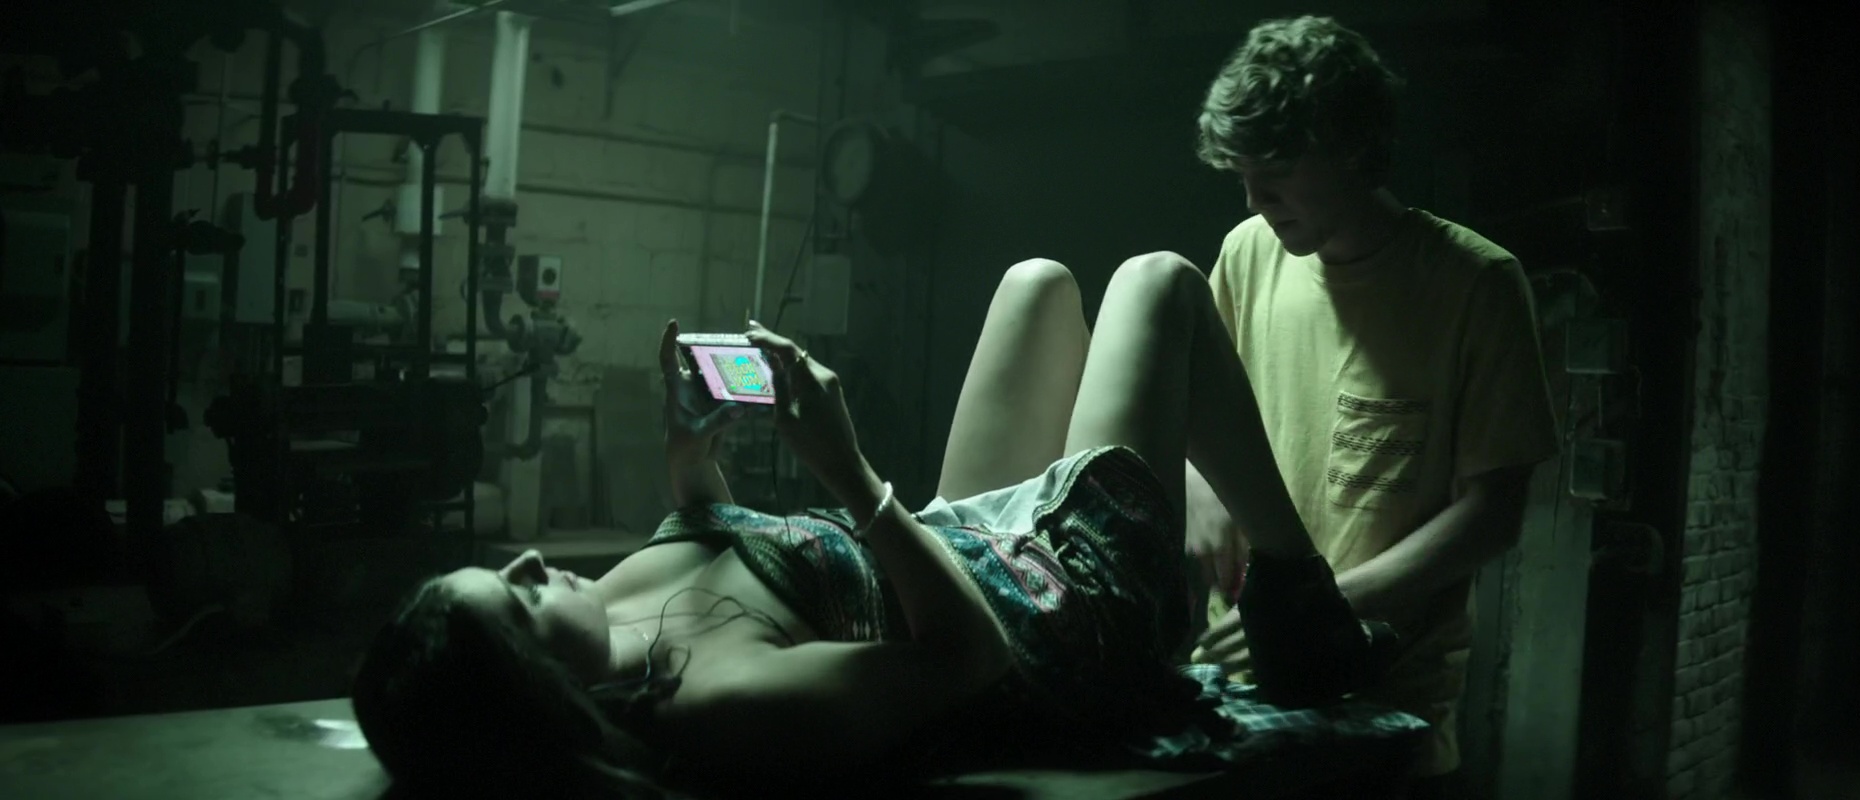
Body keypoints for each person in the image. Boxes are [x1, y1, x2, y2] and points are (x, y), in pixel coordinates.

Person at [349, 256, 1399, 799]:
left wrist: (688, 453)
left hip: (952, 545)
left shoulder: (605, 614)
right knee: (1158, 283)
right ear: (540, 695)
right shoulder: (721, 703)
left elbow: (711, 535)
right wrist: (844, 469)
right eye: (519, 600)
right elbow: (966, 658)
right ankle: (1300, 604)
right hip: (1056, 626)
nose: (532, 562)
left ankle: (1294, 598)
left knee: (1036, 285)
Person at [1180, 15, 1561, 799]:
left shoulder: (1477, 285)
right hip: (1238, 692)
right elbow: (1198, 415)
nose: (1255, 198)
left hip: (1388, 710)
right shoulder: (1247, 253)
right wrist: (1198, 487)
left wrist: (1322, 607)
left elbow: (1494, 511)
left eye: (1276, 171)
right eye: (1243, 175)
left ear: (1351, 146)